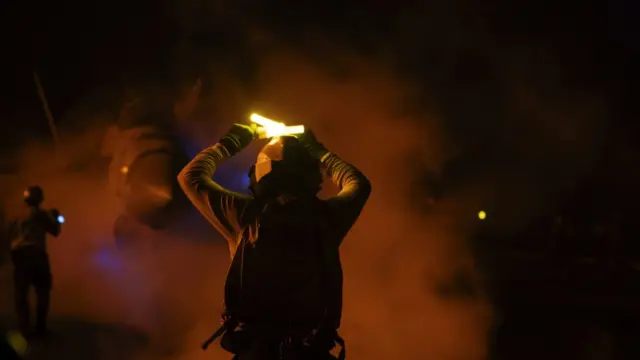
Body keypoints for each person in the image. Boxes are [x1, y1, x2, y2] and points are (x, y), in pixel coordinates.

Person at [178, 123, 371, 359]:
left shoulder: (243, 216)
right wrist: (319, 151)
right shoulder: (328, 217)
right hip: (311, 352)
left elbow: (190, 177)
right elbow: (358, 184)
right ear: (312, 174)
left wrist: (230, 143)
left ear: (259, 174)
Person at [7, 186, 61, 338]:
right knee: (43, 291)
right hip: (36, 255)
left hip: (19, 255)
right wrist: (57, 218)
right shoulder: (41, 215)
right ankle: (40, 328)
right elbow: (55, 231)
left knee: (21, 293)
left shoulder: (15, 215)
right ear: (40, 199)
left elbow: (7, 235)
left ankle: (24, 328)